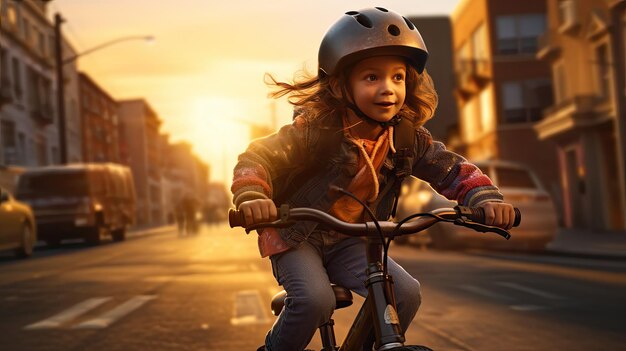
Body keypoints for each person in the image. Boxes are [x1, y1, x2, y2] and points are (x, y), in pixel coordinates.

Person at [231, 8, 516, 351]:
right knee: (314, 300)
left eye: (397, 77)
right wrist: (252, 196)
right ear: (340, 85)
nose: (388, 89)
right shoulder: (313, 132)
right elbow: (257, 157)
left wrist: (483, 198)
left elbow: (451, 168)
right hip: (297, 234)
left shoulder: (407, 138)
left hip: (353, 238)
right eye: (371, 78)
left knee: (406, 293)